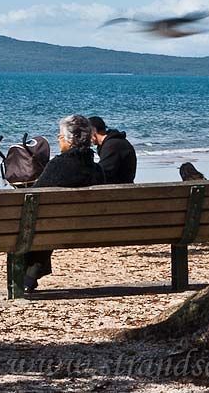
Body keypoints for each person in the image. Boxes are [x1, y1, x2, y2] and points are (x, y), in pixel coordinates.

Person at [24, 115, 104, 292]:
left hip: (58, 229)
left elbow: (33, 195)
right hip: (93, 230)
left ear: (71, 139)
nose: (58, 138)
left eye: (60, 135)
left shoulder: (58, 166)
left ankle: (28, 276)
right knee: (52, 222)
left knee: (39, 224)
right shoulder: (96, 169)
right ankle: (31, 276)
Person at [87, 116, 137, 184]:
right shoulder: (114, 142)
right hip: (124, 186)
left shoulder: (112, 145)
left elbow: (104, 173)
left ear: (93, 131)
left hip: (119, 190)